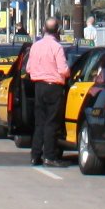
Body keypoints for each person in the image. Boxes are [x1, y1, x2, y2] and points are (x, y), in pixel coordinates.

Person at [22, 18, 72, 167]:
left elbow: (29, 69)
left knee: (40, 122)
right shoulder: (56, 47)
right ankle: (50, 156)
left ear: (44, 29)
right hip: (54, 87)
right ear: (57, 30)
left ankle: (35, 155)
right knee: (52, 123)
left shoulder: (35, 47)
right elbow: (63, 69)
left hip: (39, 86)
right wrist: (68, 74)